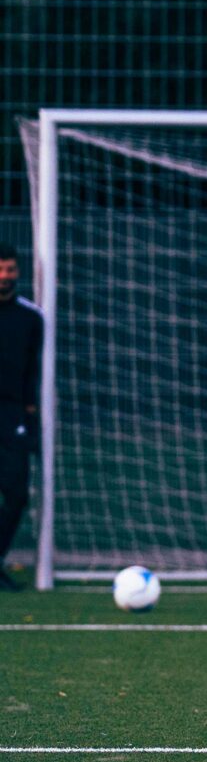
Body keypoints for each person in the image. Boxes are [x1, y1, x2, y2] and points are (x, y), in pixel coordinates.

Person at [0, 244, 43, 592]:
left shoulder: (30, 317)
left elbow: (32, 372)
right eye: (0, 269)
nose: (4, 276)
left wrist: (30, 417)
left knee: (16, 494)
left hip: (11, 414)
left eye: (10, 269)